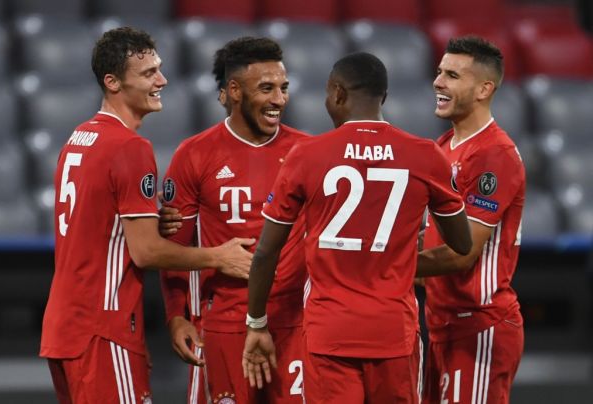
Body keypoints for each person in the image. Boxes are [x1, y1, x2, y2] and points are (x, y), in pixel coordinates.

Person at [39, 27, 254, 403]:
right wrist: (219, 257)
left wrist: (149, 219)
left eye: (160, 69)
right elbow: (146, 253)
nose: (162, 80)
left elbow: (97, 222)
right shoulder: (130, 147)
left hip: (64, 329)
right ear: (113, 82)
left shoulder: (79, 138)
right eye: (149, 73)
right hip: (104, 329)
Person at [243, 52, 472, 403]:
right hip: (393, 330)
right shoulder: (425, 155)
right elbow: (461, 242)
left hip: (329, 332)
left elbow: (266, 252)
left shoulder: (306, 155)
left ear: (336, 92)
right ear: (384, 97)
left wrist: (257, 322)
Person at [159, 36, 309, 403]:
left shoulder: (308, 153)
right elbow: (175, 245)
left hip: (295, 324)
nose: (279, 100)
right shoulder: (194, 155)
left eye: (283, 88)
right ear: (235, 90)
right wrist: (177, 315)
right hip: (225, 324)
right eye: (267, 88)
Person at [417, 36, 526, 404]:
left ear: (484, 88)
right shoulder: (442, 149)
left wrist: (388, 265)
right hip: (440, 324)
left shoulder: (495, 154)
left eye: (451, 75)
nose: (438, 82)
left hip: (479, 326)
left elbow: (464, 253)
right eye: (438, 72)